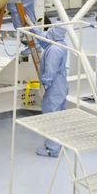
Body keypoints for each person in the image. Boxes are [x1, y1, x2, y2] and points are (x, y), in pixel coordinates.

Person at [36, 27, 69, 157]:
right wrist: (33, 28)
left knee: (51, 117)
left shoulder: (54, 50)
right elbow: (45, 41)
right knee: (59, 116)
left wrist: (45, 84)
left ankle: (52, 149)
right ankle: (58, 142)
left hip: (54, 88)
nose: (48, 32)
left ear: (54, 33)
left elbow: (50, 70)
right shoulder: (60, 44)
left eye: (50, 30)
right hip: (61, 86)